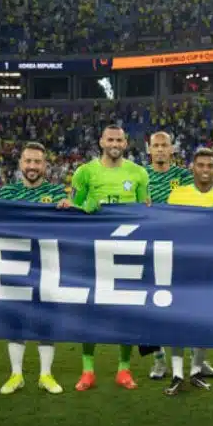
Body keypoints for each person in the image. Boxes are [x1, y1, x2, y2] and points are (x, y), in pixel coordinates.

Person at [60, 124, 151, 391]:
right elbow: (74, 208)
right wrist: (81, 206)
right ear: (101, 142)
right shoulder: (84, 172)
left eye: (119, 140)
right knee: (90, 309)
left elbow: (145, 212)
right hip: (93, 251)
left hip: (127, 250)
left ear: (125, 143)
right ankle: (88, 371)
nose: (114, 144)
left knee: (126, 309)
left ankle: (124, 369)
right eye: (110, 139)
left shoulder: (138, 173)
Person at [0, 142, 67, 396]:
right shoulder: (6, 193)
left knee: (45, 319)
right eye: (28, 161)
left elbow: (70, 227)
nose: (32, 166)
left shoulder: (57, 193)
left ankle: (45, 374)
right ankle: (16, 374)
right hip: (14, 263)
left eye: (37, 162)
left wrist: (68, 209)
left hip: (48, 264)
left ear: (45, 165)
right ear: (20, 164)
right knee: (16, 319)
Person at [163, 147, 213, 395]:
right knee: (178, 321)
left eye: (210, 166)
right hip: (182, 265)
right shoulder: (178, 195)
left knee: (205, 320)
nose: (205, 170)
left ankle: (195, 372)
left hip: (210, 268)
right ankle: (177, 374)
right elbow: (168, 226)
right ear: (193, 167)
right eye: (200, 165)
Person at [142, 131, 194, 381]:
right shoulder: (140, 176)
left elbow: (203, 197)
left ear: (172, 149)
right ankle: (159, 359)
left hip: (179, 248)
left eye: (164, 145)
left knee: (184, 304)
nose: (160, 149)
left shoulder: (184, 177)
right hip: (150, 248)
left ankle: (196, 361)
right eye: (156, 145)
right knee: (154, 304)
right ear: (149, 149)